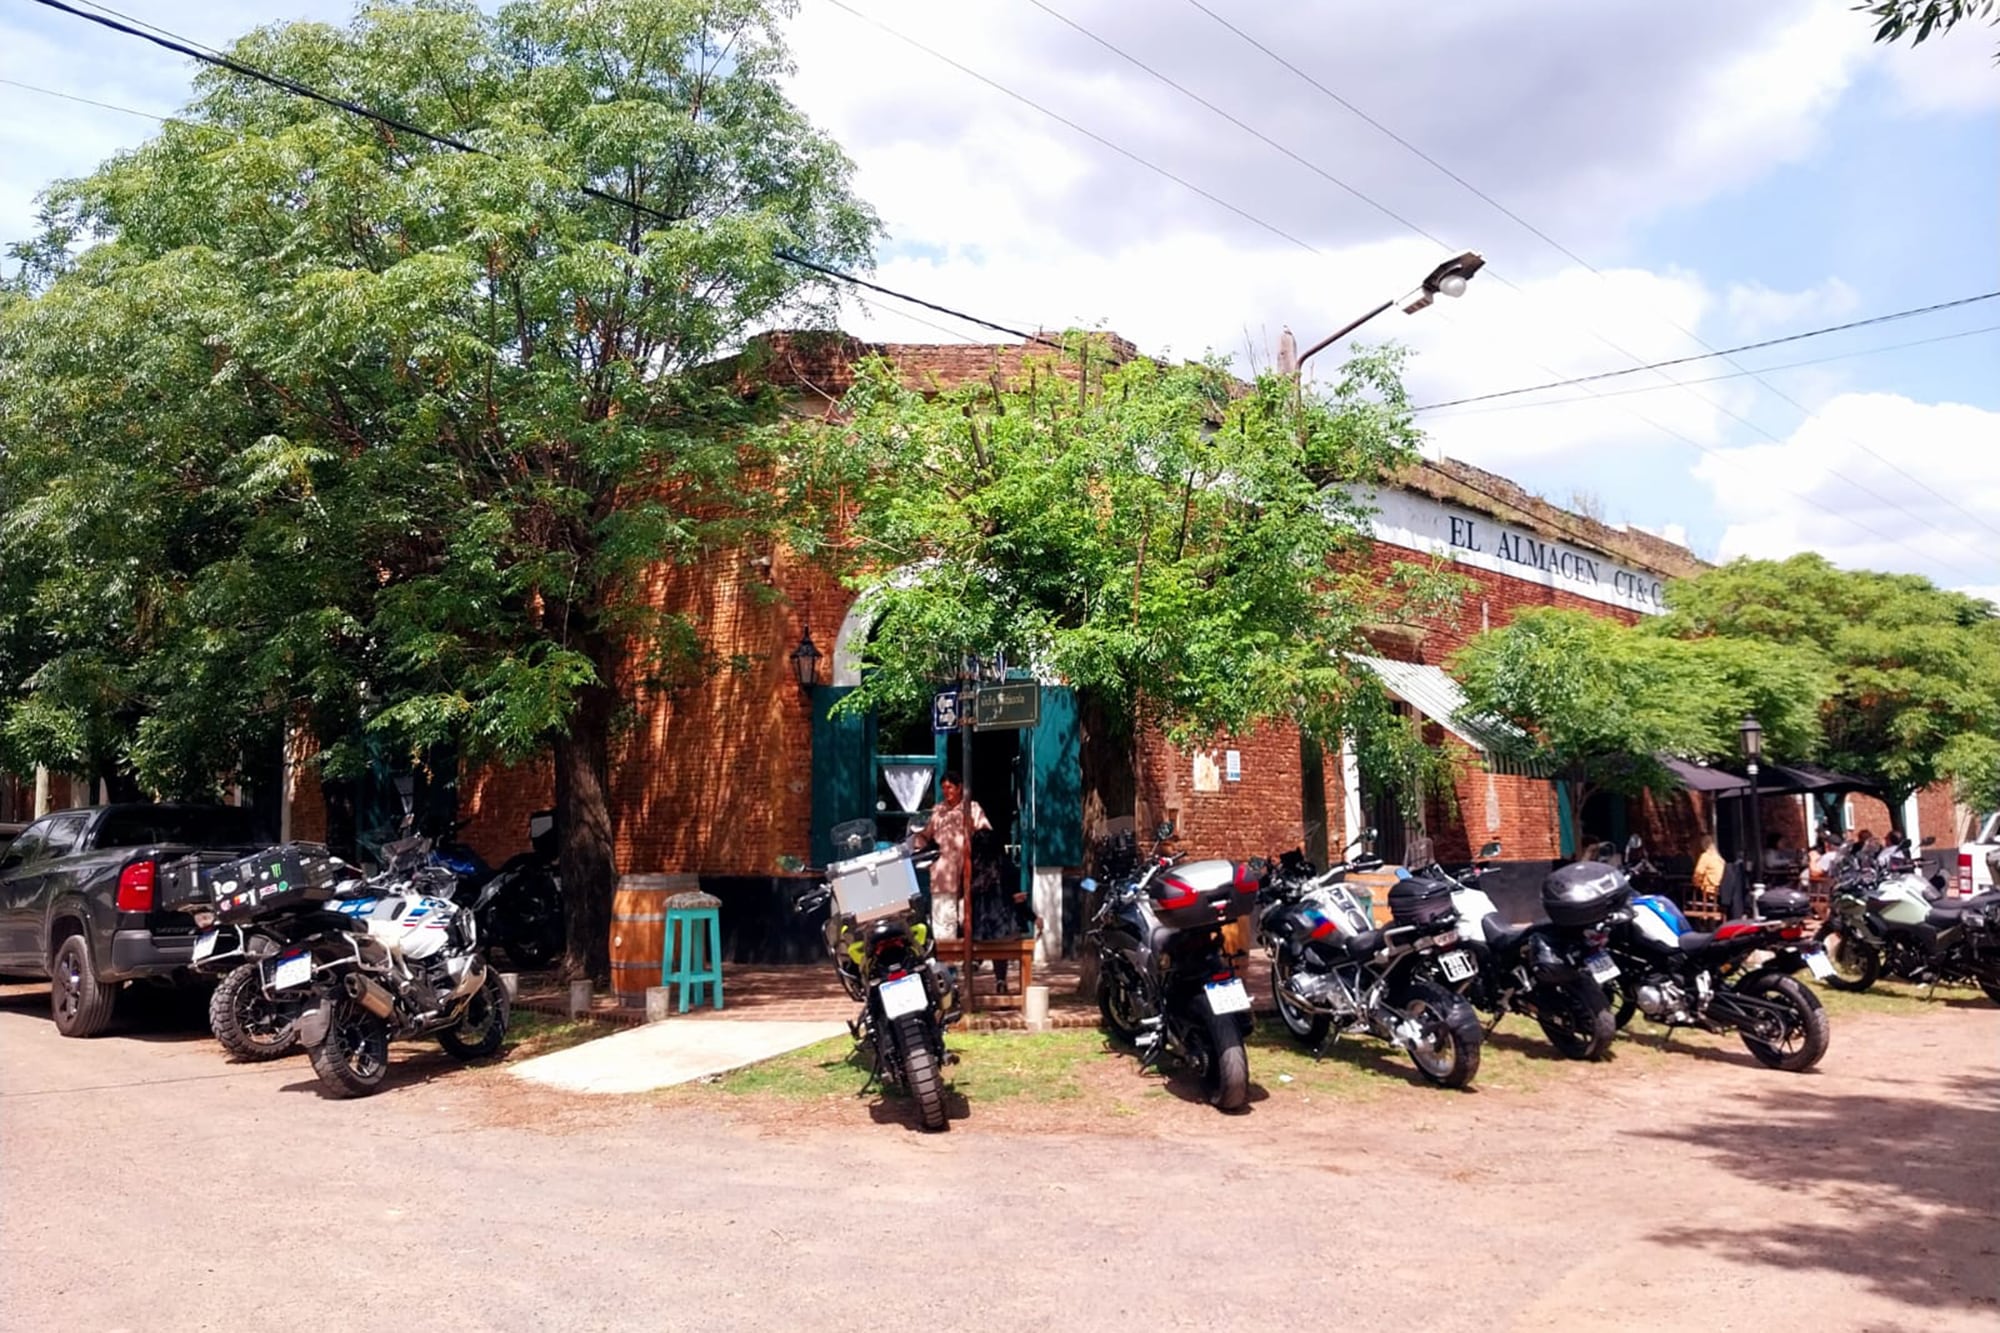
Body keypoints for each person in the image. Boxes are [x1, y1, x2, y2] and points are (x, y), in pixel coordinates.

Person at [907, 772, 988, 945]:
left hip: (970, 870)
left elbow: (985, 834)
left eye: (950, 787)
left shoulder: (972, 808)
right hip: (943, 872)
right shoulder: (937, 812)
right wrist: (926, 858)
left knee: (969, 916)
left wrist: (980, 857)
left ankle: (974, 958)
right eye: (944, 788)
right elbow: (920, 836)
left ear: (959, 788)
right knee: (944, 918)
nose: (946, 791)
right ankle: (947, 960)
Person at [1692, 836, 1726, 902]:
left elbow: (1698, 872)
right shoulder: (1719, 858)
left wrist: (1696, 883)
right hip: (1721, 889)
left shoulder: (1705, 856)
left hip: (1710, 890)